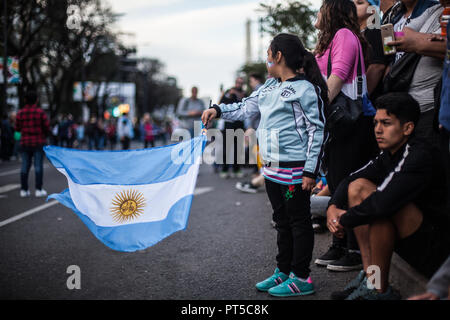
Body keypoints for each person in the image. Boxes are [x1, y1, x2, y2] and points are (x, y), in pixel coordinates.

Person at [202, 33, 327, 297]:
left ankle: (301, 277)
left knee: (298, 222)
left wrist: (310, 170)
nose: (266, 57)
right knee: (281, 221)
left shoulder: (305, 89)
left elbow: (317, 130)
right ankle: (284, 271)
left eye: (268, 52)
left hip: (295, 171)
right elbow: (245, 108)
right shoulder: (268, 87)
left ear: (277, 55)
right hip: (270, 170)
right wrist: (218, 110)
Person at [327, 92, 450, 300]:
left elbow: (383, 203)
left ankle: (378, 289)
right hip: (415, 235)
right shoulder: (389, 152)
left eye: (386, 123)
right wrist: (332, 206)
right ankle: (370, 278)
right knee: (358, 187)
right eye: (375, 123)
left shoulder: (419, 154)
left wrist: (344, 219)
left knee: (379, 211)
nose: (378, 129)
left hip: (438, 248)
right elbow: (352, 179)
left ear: (407, 128)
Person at [314, 0, 378, 272]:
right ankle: (340, 242)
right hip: (338, 122)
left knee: (346, 183)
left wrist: (315, 112)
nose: (316, 14)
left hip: (352, 121)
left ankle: (352, 247)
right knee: (337, 180)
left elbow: (338, 76)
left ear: (331, 11)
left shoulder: (344, 35)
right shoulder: (329, 40)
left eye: (320, 8)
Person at [15, 91, 50, 198]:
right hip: (38, 142)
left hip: (25, 142)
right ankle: (38, 189)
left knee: (25, 166)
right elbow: (46, 127)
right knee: (38, 166)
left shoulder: (20, 113)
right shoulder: (40, 112)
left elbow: (17, 128)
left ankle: (24, 190)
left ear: (25, 100)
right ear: (36, 100)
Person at [354, 0, 389, 100]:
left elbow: (377, 66)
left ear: (373, 10)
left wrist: (362, 97)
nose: (353, 5)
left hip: (371, 100)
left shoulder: (375, 31)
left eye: (359, 3)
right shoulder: (360, 33)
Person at [219, 77, 246, 179]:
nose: (239, 84)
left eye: (241, 82)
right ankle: (225, 170)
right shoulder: (229, 91)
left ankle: (236, 169)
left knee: (238, 148)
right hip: (229, 123)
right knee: (227, 147)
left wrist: (240, 95)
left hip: (239, 123)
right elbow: (221, 102)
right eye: (238, 82)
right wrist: (230, 94)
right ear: (235, 83)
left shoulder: (244, 93)